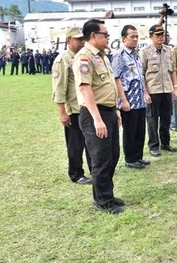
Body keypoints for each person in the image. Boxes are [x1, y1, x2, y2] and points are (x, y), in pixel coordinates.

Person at [73, 19, 124, 214]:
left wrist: (115, 110)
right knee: (100, 158)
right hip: (95, 113)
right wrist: (97, 118)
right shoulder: (84, 58)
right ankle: (102, 201)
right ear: (93, 36)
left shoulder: (102, 56)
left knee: (112, 155)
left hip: (108, 111)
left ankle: (107, 194)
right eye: (105, 34)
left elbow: (107, 86)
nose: (108, 37)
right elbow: (85, 89)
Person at [51, 27, 92, 184]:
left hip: (85, 107)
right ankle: (76, 173)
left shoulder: (83, 57)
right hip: (73, 109)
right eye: (77, 39)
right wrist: (62, 112)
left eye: (83, 39)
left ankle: (93, 168)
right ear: (68, 41)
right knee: (75, 144)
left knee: (90, 142)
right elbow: (59, 88)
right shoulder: (63, 60)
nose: (81, 42)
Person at [112, 25, 151, 170]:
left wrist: (145, 93)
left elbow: (140, 77)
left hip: (140, 99)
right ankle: (130, 158)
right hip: (128, 99)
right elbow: (116, 78)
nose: (135, 39)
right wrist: (123, 100)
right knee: (130, 131)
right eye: (132, 37)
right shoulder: (119, 55)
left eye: (136, 37)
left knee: (140, 130)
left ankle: (138, 156)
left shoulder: (136, 54)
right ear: (123, 39)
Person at [140, 25, 177, 156]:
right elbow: (142, 74)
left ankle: (165, 143)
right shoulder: (145, 52)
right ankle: (153, 146)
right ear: (151, 36)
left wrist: (175, 88)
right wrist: (145, 93)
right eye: (157, 35)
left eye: (162, 35)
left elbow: (172, 70)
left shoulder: (169, 50)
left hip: (166, 90)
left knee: (166, 119)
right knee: (152, 120)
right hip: (153, 91)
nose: (160, 38)